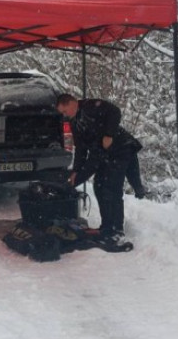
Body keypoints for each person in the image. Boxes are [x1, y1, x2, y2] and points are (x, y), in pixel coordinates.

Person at [56, 93, 144, 243]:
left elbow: (115, 111)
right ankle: (106, 226)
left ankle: (117, 230)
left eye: (65, 111)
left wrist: (108, 135)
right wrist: (76, 172)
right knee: (99, 185)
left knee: (112, 188)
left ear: (71, 103)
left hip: (121, 148)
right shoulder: (74, 123)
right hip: (104, 154)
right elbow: (81, 149)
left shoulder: (90, 106)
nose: (65, 115)